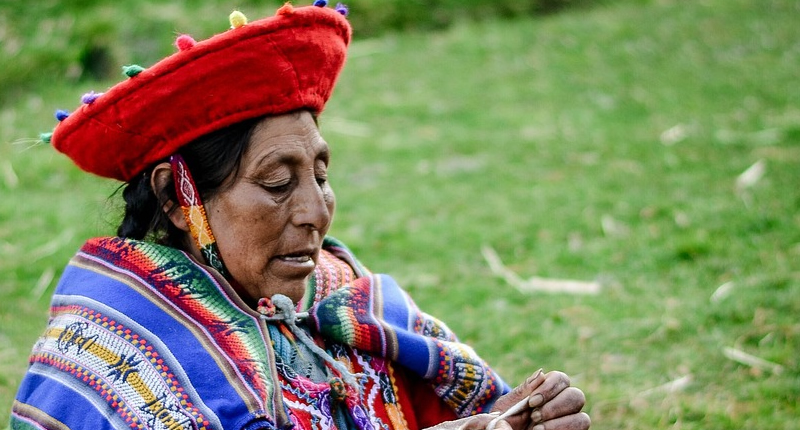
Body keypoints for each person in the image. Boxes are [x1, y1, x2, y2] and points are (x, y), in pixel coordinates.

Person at [11, 3, 590, 430]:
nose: (316, 212)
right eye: (277, 183)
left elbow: (451, 408)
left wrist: (513, 418)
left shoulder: (345, 300)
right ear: (176, 199)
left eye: (320, 173)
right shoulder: (114, 359)